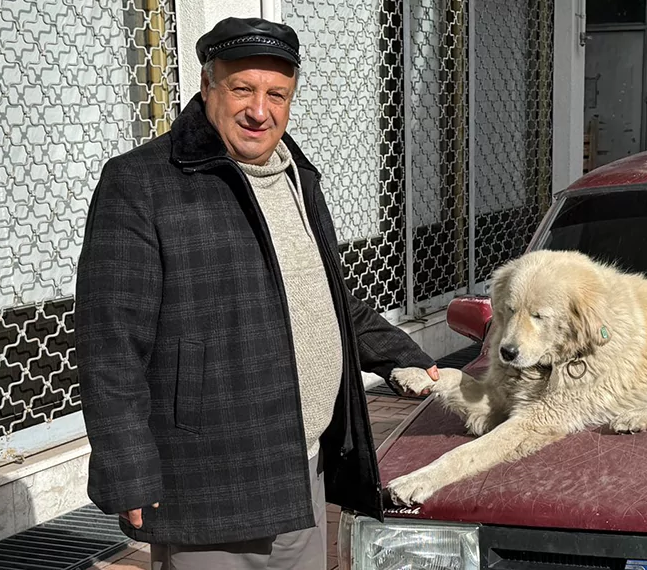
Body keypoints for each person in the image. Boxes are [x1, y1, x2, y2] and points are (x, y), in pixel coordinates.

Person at [74, 16, 439, 569]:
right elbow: (110, 344)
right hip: (210, 481)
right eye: (243, 89)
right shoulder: (142, 183)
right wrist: (127, 465)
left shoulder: (296, 174)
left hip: (303, 469)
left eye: (277, 94)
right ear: (208, 86)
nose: (259, 111)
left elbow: (321, 292)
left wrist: (398, 355)